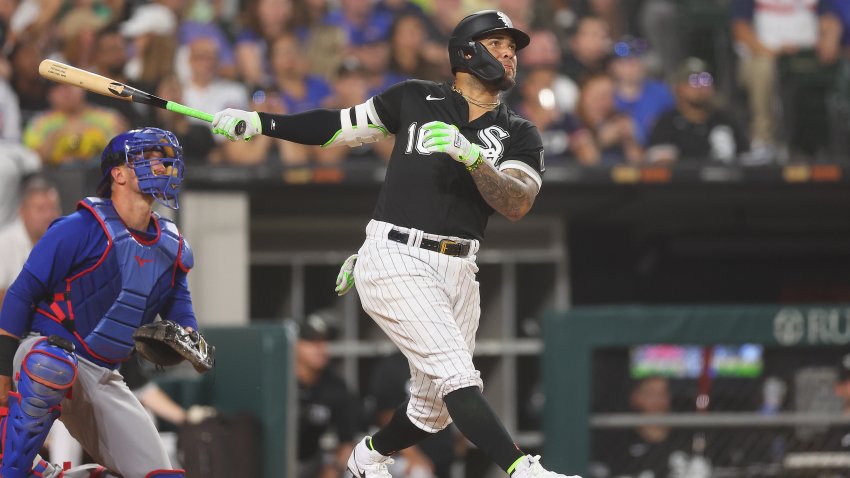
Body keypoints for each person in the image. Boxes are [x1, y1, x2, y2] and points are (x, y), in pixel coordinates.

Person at [211, 10, 580, 478]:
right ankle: (522, 469)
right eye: (497, 43)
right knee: (459, 379)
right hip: (396, 255)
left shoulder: (520, 132)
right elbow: (336, 127)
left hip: (461, 269)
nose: (510, 53)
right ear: (467, 53)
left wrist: (473, 159)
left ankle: (368, 455)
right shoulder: (415, 97)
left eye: (513, 47)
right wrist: (261, 123)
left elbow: (518, 202)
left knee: (434, 411)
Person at [0, 127, 199, 478]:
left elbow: (179, 305)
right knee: (52, 364)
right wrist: (1, 371)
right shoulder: (77, 227)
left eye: (163, 158)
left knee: (161, 474)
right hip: (42, 349)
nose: (161, 165)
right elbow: (20, 295)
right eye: (147, 157)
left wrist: (189, 337)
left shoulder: (173, 246)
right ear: (117, 174)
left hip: (104, 372)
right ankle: (13, 469)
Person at [646, 58, 749, 164]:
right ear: (678, 88)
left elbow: (746, 160)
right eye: (693, 80)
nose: (700, 86)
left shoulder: (725, 121)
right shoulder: (667, 124)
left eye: (705, 79)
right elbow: (662, 168)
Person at [295, 312, 358, 478]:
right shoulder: (277, 379)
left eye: (324, 341)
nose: (321, 348)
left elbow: (347, 443)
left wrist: (333, 469)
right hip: (271, 459)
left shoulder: (334, 386)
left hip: (310, 462)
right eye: (312, 341)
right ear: (294, 344)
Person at [0, 175, 61, 307]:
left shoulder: (64, 242)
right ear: (22, 212)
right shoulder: (4, 244)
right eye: (40, 209)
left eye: (53, 208)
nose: (48, 216)